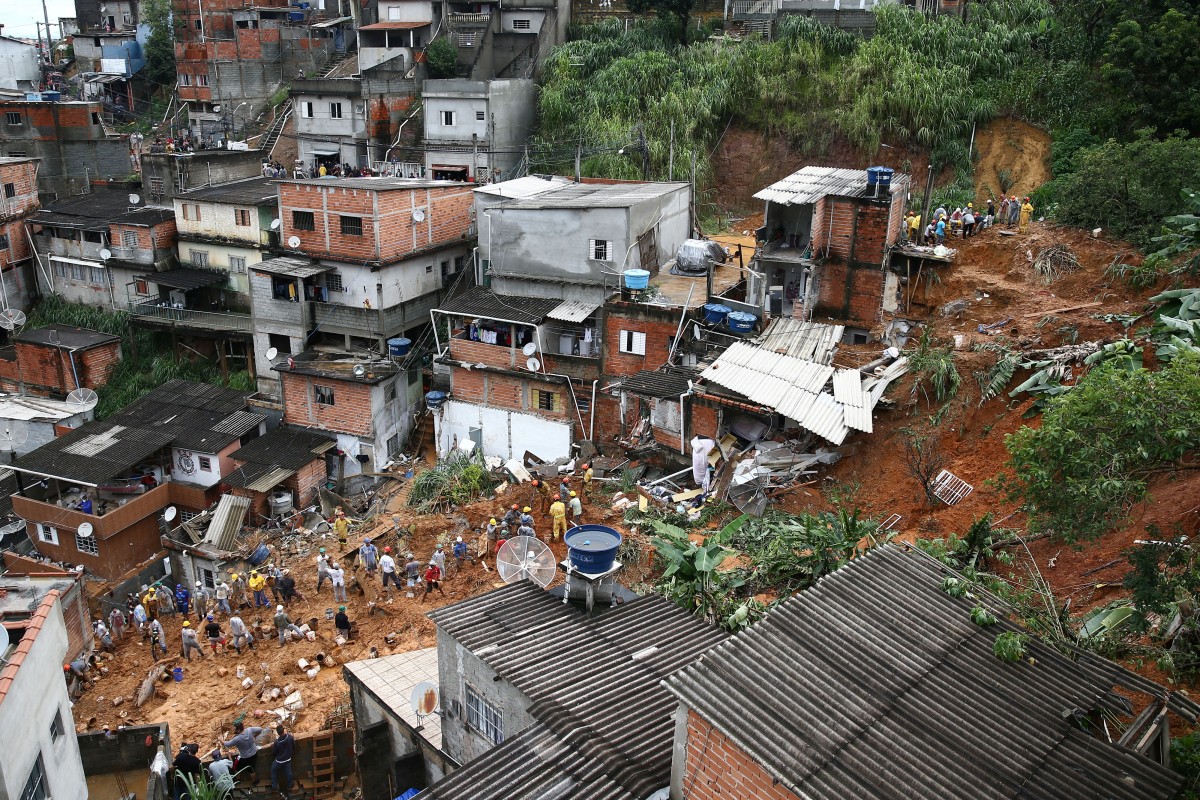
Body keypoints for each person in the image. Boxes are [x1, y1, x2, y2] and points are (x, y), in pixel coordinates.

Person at [270, 724, 295, 794]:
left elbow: (274, 753)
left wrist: (272, 747)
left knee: (273, 770)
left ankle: (274, 787)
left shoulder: (277, 742)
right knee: (288, 773)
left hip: (279, 761)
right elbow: (294, 745)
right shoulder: (290, 737)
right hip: (288, 759)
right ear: (283, 730)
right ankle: (290, 785)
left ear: (278, 733)